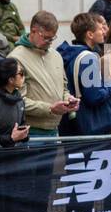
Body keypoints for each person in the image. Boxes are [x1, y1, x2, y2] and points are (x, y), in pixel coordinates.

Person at [7, 10, 76, 138]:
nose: (50, 42)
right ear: (33, 31)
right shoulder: (16, 58)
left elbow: (64, 88)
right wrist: (50, 108)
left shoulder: (56, 55)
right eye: (46, 37)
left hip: (54, 130)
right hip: (30, 132)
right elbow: (17, 101)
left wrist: (68, 100)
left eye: (53, 38)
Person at [58, 12, 111, 136]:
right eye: (100, 29)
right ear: (90, 34)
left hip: (72, 126)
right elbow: (95, 97)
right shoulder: (88, 58)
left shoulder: (70, 53)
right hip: (89, 127)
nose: (104, 32)